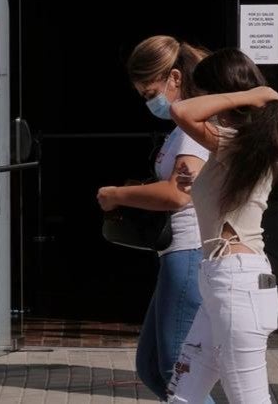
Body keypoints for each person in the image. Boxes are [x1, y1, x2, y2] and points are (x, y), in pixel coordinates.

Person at [165, 48, 278, 404]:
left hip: (236, 283)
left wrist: (249, 96)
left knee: (248, 400)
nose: (199, 100)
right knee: (183, 395)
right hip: (222, 280)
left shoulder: (242, 139)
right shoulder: (240, 143)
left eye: (203, 92)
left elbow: (180, 111)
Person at [96, 36, 215, 403]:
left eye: (150, 93)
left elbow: (178, 194)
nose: (150, 102)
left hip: (188, 252)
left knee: (174, 369)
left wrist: (116, 194)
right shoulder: (183, 128)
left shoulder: (193, 130)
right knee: (153, 366)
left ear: (175, 79)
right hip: (177, 254)